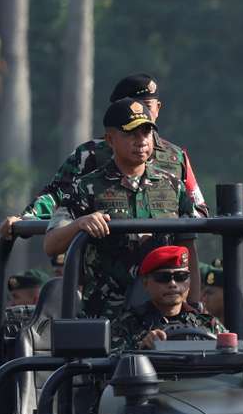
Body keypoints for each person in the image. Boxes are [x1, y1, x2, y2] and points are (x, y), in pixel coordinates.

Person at [42, 98, 200, 319]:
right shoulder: (87, 187)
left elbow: (188, 247)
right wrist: (80, 224)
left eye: (146, 132)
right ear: (110, 139)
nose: (141, 140)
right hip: (107, 318)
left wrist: (194, 304)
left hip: (164, 314)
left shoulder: (173, 186)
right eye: (131, 133)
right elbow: (51, 244)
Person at [13, 73, 207, 224]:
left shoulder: (175, 157)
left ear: (158, 108)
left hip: (162, 267)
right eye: (132, 106)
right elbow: (57, 196)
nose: (141, 113)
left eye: (147, 106)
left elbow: (198, 210)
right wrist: (26, 220)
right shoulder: (89, 155)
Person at [110, 246, 225, 351]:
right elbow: (114, 363)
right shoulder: (127, 324)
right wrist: (141, 348)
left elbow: (232, 359)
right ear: (145, 283)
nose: (173, 284)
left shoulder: (208, 324)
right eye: (163, 277)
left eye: (181, 277)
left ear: (189, 281)